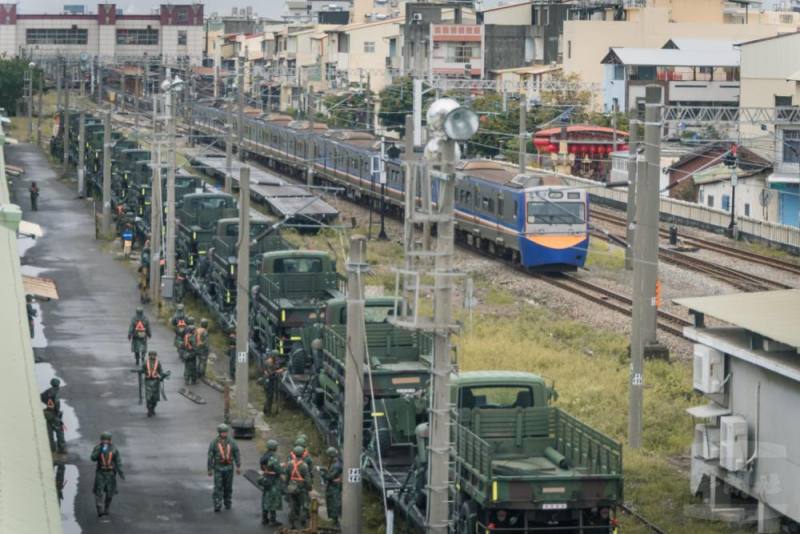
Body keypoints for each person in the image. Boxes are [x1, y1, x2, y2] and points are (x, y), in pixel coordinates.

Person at [207, 423, 241, 512]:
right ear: (219, 432)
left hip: (229, 468)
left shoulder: (232, 442)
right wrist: (209, 469)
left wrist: (238, 465)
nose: (224, 434)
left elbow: (236, 453)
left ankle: (228, 502)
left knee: (228, 487)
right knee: (218, 487)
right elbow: (210, 456)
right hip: (218, 468)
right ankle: (217, 504)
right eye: (222, 432)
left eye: (225, 432)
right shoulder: (214, 442)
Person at [91, 431, 124, 517]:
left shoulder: (114, 449)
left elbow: (118, 461)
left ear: (110, 440)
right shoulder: (98, 448)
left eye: (107, 440)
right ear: (101, 440)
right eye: (104, 440)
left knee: (110, 492)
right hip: (100, 473)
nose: (105, 442)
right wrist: (99, 451)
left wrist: (121, 472)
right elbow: (93, 458)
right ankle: (99, 509)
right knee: (99, 491)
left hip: (110, 473)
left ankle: (107, 509)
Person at [257, 439, 283, 526]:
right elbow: (278, 470)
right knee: (273, 499)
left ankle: (264, 519)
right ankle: (273, 520)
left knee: (265, 498)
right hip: (273, 480)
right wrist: (282, 468)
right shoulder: (273, 457)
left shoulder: (264, 455)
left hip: (266, 478)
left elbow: (262, 467)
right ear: (274, 447)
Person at [285, 445, 312, 529]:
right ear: (302, 454)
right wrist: (309, 488)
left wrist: (286, 486)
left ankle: (292, 523)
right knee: (304, 506)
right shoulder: (304, 466)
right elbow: (307, 480)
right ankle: (303, 523)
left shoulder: (289, 464)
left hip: (291, 487)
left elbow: (287, 477)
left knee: (292, 506)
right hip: (301, 489)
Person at [140, 351, 169, 417]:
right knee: (148, 396)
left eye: (154, 355)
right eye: (151, 355)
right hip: (148, 381)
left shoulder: (158, 363)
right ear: (149, 356)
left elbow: (161, 371)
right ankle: (149, 409)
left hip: (156, 381)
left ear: (156, 356)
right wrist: (140, 371)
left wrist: (163, 375)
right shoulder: (145, 362)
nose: (152, 356)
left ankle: (153, 408)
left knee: (155, 397)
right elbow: (142, 369)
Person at [41, 378, 65, 454]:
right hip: (54, 414)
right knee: (60, 432)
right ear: (58, 385)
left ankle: (52, 449)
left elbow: (41, 396)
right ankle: (61, 449)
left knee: (50, 432)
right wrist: (58, 412)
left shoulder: (48, 391)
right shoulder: (56, 392)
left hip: (47, 413)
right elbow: (57, 403)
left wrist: (47, 403)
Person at [321, 446, 342, 526]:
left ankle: (336, 521)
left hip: (334, 487)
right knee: (331, 502)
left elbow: (330, 477)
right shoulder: (335, 462)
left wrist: (323, 474)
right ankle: (334, 519)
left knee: (334, 503)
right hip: (333, 486)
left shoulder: (336, 465)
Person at [182, 317, 198, 385]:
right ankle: (193, 380)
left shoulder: (186, 336)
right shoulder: (192, 337)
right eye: (194, 330)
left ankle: (186, 380)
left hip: (186, 353)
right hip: (192, 354)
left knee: (187, 367)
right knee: (193, 368)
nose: (195, 331)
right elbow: (195, 347)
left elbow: (183, 345)